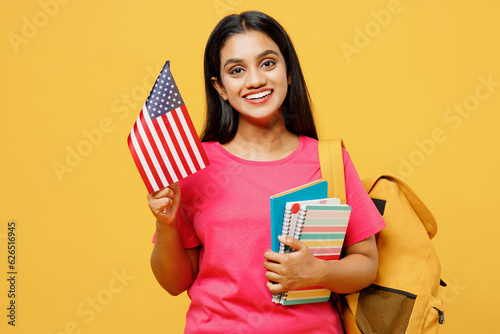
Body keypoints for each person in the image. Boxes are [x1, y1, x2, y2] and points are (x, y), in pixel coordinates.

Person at [148, 11, 386, 334]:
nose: (255, 80)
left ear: (288, 72)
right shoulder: (195, 167)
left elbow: (367, 263)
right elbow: (175, 283)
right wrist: (165, 226)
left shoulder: (328, 160)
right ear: (219, 87)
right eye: (236, 70)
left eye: (268, 63)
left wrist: (317, 272)